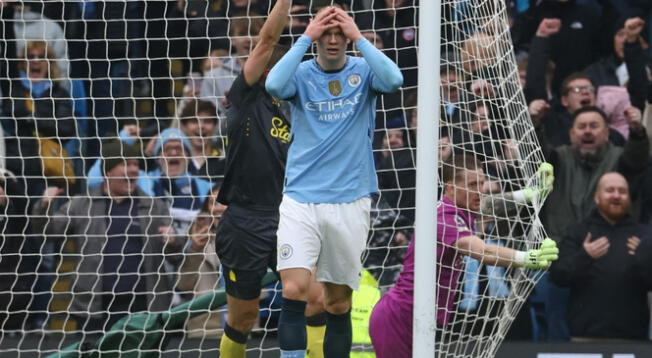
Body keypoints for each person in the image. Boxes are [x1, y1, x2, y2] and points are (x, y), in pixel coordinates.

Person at [265, 6, 403, 357]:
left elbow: (394, 80)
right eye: (325, 34)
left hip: (350, 200)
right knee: (294, 290)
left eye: (338, 34)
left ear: (347, 39)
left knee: (338, 304)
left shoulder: (364, 71)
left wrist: (359, 36)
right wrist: (305, 37)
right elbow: (273, 84)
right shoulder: (302, 73)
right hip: (300, 197)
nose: (331, 40)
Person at [368, 156, 559, 358]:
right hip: (399, 317)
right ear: (450, 188)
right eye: (472, 184)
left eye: (482, 182)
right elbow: (484, 251)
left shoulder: (461, 206)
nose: (480, 190)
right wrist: (529, 257)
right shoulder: (444, 219)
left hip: (419, 317)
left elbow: (490, 204)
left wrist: (528, 194)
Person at [211, 1, 297, 357]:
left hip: (290, 218)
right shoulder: (244, 97)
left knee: (310, 299)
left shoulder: (294, 109)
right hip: (245, 219)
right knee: (245, 317)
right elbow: (266, 41)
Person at [30, 141, 182, 332]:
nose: (134, 170)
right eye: (126, 164)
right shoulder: (82, 204)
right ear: (108, 171)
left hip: (144, 305)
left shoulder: (155, 207)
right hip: (94, 307)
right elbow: (47, 233)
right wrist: (44, 206)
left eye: (136, 165)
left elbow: (175, 257)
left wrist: (173, 242)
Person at [550, 172, 651, 341]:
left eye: (622, 191)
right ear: (597, 197)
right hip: (584, 339)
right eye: (610, 190)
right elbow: (558, 275)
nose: (616, 196)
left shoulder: (643, 235)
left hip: (633, 340)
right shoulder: (578, 231)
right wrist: (585, 256)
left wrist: (643, 258)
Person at [177, 185, 227, 339]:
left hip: (242, 324)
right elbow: (183, 286)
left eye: (224, 202)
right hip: (203, 329)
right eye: (213, 203)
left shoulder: (250, 236)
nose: (218, 208)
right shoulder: (195, 237)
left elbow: (261, 291)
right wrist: (195, 249)